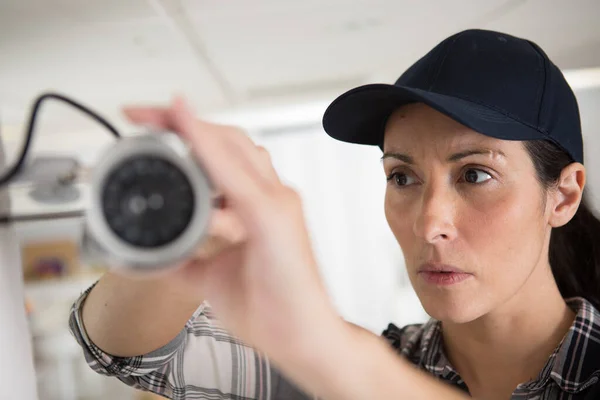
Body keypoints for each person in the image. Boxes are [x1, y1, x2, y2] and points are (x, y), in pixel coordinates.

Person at [69, 29, 600, 400]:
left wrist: (331, 352)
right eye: (402, 177)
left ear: (563, 197)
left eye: (475, 174)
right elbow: (127, 351)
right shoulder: (358, 369)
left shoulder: (347, 370)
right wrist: (191, 218)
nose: (428, 221)